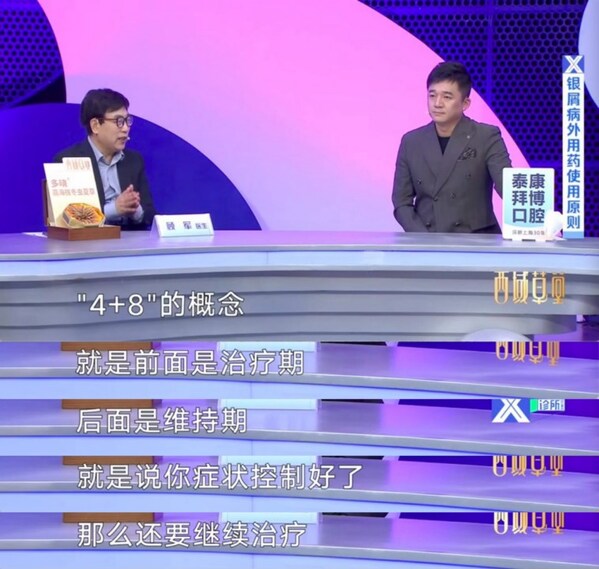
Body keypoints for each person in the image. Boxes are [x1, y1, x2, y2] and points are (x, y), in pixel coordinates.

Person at [392, 62, 511, 234]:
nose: (437, 103)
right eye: (432, 95)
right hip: (427, 238)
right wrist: (423, 238)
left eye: (447, 97)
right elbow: (401, 202)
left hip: (477, 240)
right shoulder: (411, 142)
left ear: (465, 103)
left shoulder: (486, 136)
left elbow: (507, 187)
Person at [55, 88, 156, 229]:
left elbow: (150, 216)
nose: (125, 128)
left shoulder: (134, 160)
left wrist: (135, 209)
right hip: (90, 241)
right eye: (118, 121)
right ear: (95, 125)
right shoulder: (69, 160)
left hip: (130, 240)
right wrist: (114, 209)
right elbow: (67, 219)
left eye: (127, 120)